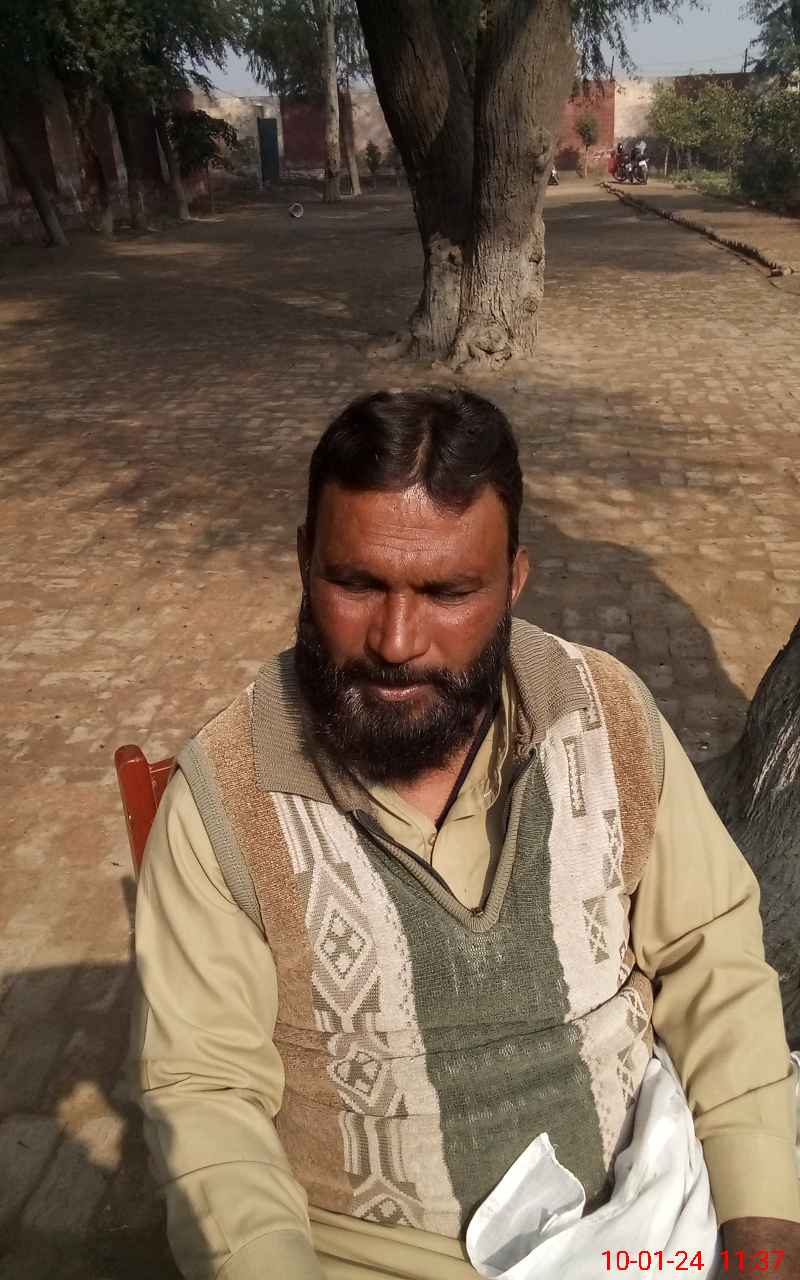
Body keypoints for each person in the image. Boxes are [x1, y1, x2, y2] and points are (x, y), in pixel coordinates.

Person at [131, 389, 800, 1280]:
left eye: (448, 592)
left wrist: (762, 1234)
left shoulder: (606, 718)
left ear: (513, 582)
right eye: (356, 583)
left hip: (650, 1218)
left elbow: (714, 959)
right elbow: (206, 1098)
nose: (397, 640)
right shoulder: (226, 797)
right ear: (303, 563)